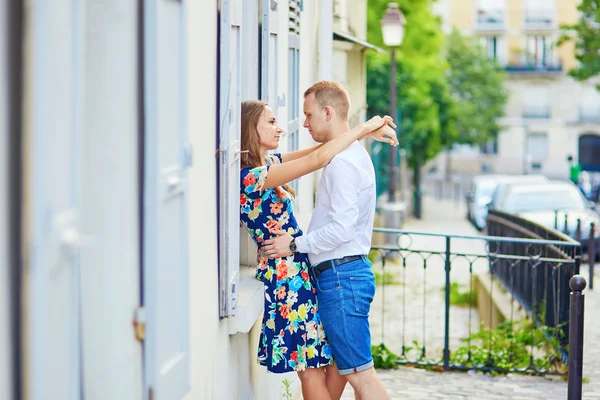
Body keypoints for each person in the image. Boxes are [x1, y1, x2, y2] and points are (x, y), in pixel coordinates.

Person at [239, 99, 397, 400]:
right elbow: (319, 159)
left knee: (330, 361)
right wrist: (363, 127)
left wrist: (360, 135)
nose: (280, 127)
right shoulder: (251, 177)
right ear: (251, 127)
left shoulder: (269, 165)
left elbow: (317, 151)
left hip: (302, 270)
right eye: (271, 122)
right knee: (310, 369)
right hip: (287, 277)